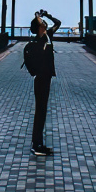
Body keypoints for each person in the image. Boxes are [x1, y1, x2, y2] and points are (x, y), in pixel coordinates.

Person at [29, 8, 60, 156]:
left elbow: (58, 23)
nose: (44, 24)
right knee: (40, 111)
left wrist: (47, 15)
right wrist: (37, 16)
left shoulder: (48, 36)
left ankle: (38, 143)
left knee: (41, 111)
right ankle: (37, 145)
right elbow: (39, 24)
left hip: (46, 78)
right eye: (42, 23)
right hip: (41, 79)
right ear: (39, 28)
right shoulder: (38, 40)